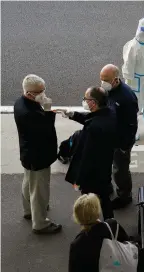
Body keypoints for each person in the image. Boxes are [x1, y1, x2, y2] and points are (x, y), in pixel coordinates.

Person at [14, 74, 62, 234]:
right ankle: (40, 223)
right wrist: (48, 111)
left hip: (28, 154)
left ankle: (29, 210)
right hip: (38, 156)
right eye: (40, 92)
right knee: (40, 190)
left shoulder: (19, 104)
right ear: (29, 93)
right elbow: (45, 130)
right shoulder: (30, 114)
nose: (44, 94)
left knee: (28, 183)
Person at [61, 87, 117, 220]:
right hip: (105, 166)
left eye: (85, 99)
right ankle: (110, 223)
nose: (84, 101)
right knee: (104, 197)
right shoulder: (109, 113)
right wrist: (73, 114)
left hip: (91, 174)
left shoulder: (93, 129)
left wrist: (78, 180)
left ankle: (90, 223)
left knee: (87, 201)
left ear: (93, 102)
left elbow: (86, 156)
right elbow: (91, 118)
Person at [100, 64, 139, 209]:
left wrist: (125, 146)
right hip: (109, 137)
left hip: (121, 141)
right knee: (108, 164)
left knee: (120, 170)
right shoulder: (108, 90)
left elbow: (131, 126)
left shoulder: (127, 97)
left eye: (106, 79)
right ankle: (109, 187)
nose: (102, 82)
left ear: (115, 80)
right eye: (101, 79)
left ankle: (124, 196)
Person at [69, 193, 130, 272]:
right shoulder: (112, 226)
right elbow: (127, 243)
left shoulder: (76, 244)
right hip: (117, 266)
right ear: (98, 211)